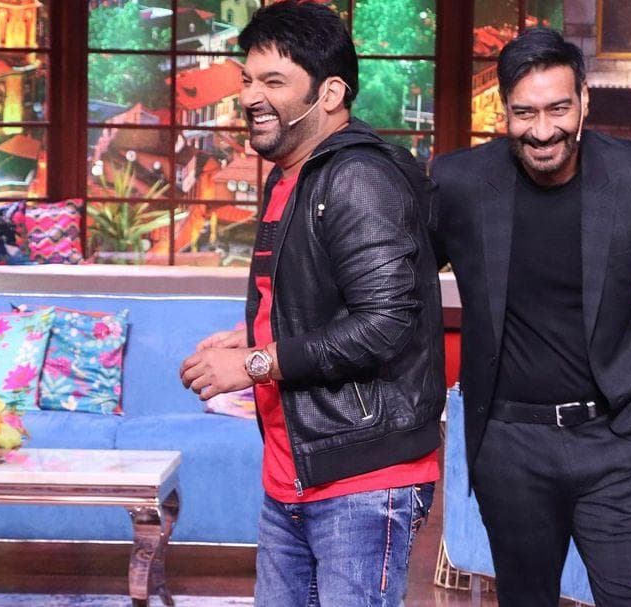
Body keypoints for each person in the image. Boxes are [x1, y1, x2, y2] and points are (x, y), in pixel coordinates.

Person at [178, 3, 444, 606]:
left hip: (361, 478)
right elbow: (317, 297)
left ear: (330, 93)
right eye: (247, 79)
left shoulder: (356, 177)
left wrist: (254, 363)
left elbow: (386, 323)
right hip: (295, 469)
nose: (250, 96)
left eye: (273, 81)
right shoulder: (290, 176)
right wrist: (255, 333)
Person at [431, 28, 631, 607]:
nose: (543, 131)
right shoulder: (459, 183)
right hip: (510, 445)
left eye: (558, 109)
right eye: (524, 113)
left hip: (618, 439)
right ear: (503, 110)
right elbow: (397, 282)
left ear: (584, 101)